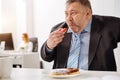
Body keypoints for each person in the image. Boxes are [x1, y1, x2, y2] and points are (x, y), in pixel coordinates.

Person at [41, 0, 120, 71]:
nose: (68, 18)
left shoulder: (108, 25)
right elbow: (46, 57)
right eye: (66, 14)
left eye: (73, 13)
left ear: (88, 14)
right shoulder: (58, 29)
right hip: (64, 77)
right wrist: (49, 46)